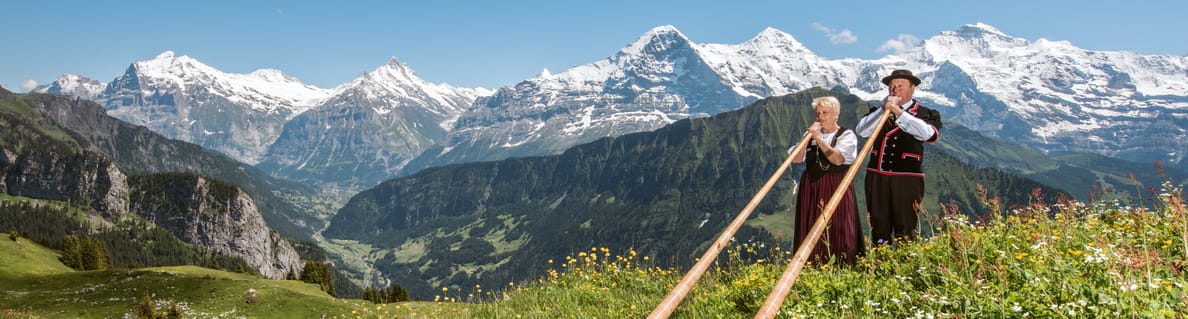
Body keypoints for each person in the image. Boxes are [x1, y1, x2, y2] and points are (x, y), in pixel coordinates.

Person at [856, 69, 943, 245]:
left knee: (906, 226)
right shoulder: (879, 111)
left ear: (912, 88)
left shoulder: (925, 113)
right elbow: (861, 130)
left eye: (900, 86)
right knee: (878, 224)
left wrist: (899, 112)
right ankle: (881, 264)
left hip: (907, 179)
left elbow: (929, 135)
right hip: (877, 176)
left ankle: (906, 265)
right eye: (891, 86)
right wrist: (883, 110)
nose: (895, 90)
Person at [788, 96, 864, 264]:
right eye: (818, 113)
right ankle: (811, 264)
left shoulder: (846, 135)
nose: (820, 117)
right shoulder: (810, 135)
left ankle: (842, 264)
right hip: (812, 185)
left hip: (835, 185)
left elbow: (837, 159)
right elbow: (796, 159)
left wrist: (819, 139)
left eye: (825, 113)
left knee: (839, 224)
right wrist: (806, 139)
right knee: (810, 222)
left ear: (836, 114)